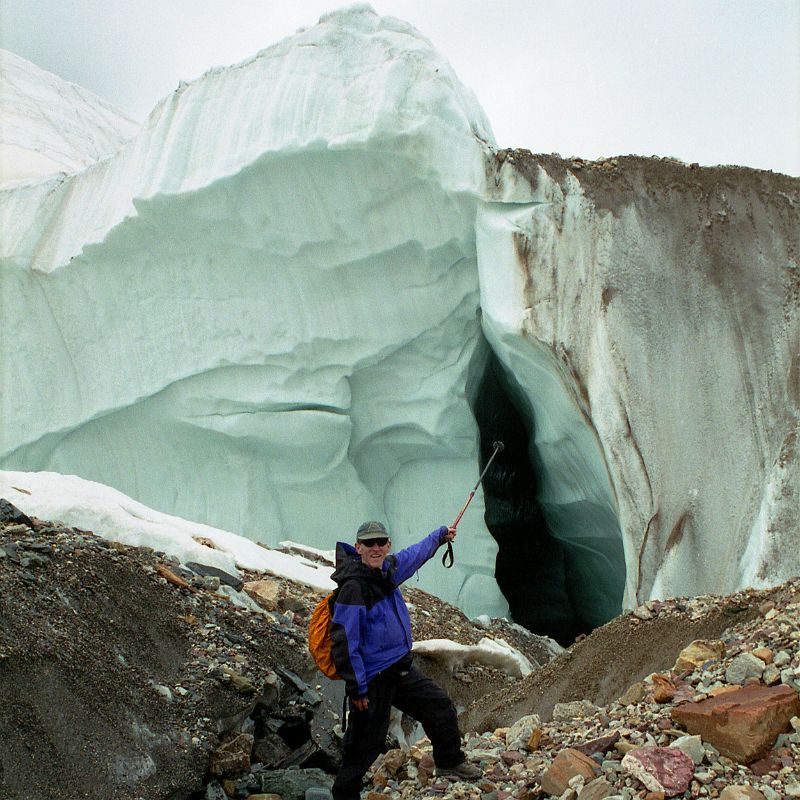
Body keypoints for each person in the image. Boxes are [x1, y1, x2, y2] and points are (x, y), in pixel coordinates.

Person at [330, 520, 481, 800]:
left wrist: (439, 537)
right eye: (369, 543)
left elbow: (415, 554)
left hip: (400, 668)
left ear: (387, 545)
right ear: (358, 547)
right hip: (373, 677)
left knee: (439, 707)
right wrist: (356, 688)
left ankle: (450, 762)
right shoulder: (354, 587)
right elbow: (344, 640)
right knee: (366, 741)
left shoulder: (387, 571)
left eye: (381, 542)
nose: (376, 548)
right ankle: (343, 793)